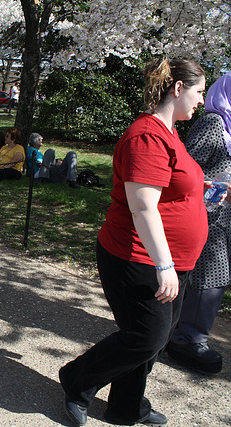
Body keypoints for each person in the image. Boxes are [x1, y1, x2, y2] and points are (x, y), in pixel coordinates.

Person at [58, 58, 208, 427]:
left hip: (175, 260)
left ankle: (126, 406)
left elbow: (169, 186)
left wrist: (208, 189)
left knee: (154, 340)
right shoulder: (147, 137)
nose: (202, 101)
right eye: (199, 92)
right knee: (145, 337)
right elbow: (142, 208)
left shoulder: (170, 132)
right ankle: (77, 379)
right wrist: (164, 265)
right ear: (178, 88)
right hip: (138, 257)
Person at [165, 72, 231, 375]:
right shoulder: (213, 123)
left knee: (210, 275)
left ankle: (180, 331)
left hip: (222, 215)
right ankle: (187, 338)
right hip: (206, 215)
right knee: (211, 275)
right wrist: (218, 188)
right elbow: (187, 169)